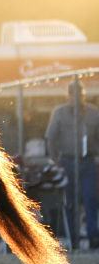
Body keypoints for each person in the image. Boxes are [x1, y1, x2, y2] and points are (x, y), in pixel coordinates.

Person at [44, 80, 99, 249]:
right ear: (67, 96)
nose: (77, 98)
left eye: (80, 95)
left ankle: (93, 237)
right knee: (70, 201)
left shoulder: (94, 113)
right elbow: (51, 138)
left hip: (87, 161)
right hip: (67, 161)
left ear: (84, 95)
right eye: (73, 95)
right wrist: (56, 161)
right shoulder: (59, 113)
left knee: (90, 198)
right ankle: (73, 238)